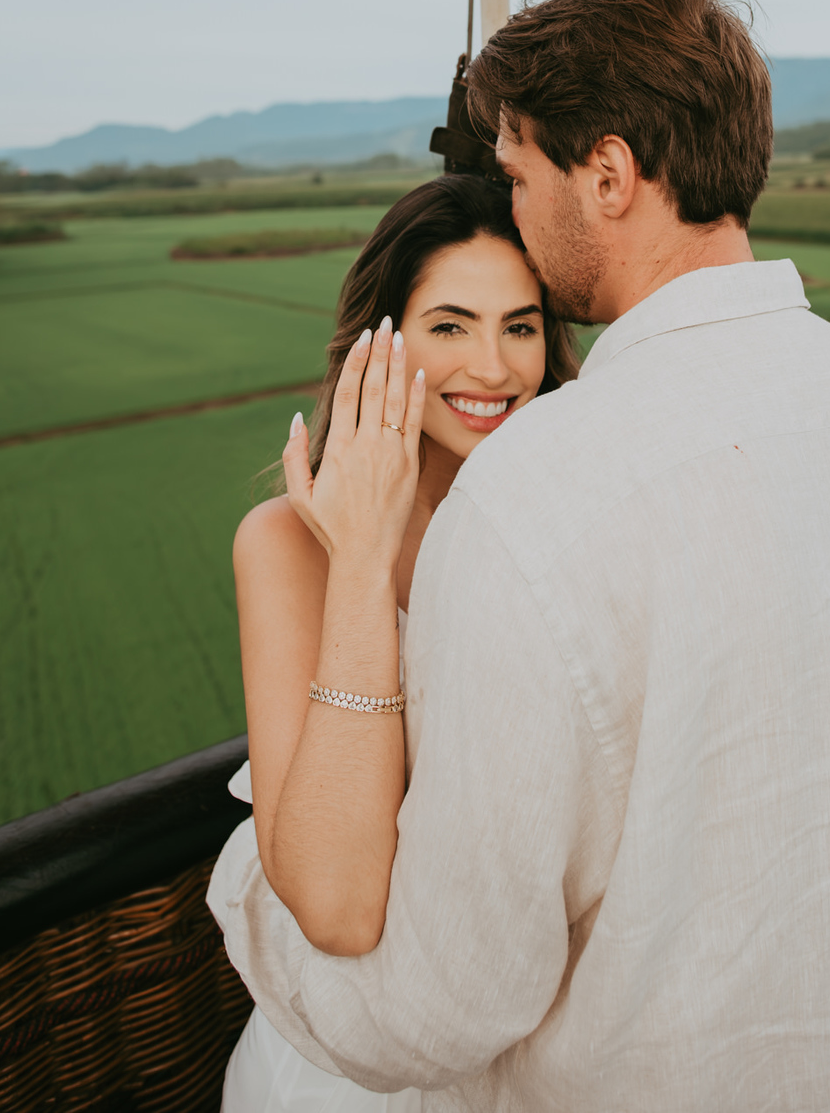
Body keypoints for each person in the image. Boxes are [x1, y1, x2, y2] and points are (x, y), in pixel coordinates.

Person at [210, 0, 830, 1113]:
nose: (513, 206)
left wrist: (249, 898)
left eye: (519, 173)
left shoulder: (537, 494)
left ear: (609, 175)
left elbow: (436, 1004)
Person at [215, 172, 580, 1112]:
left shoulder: (564, 528)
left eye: (521, 325)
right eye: (450, 326)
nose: (494, 369)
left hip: (537, 1017)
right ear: (380, 347)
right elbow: (337, 904)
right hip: (362, 1051)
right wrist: (364, 562)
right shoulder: (285, 547)